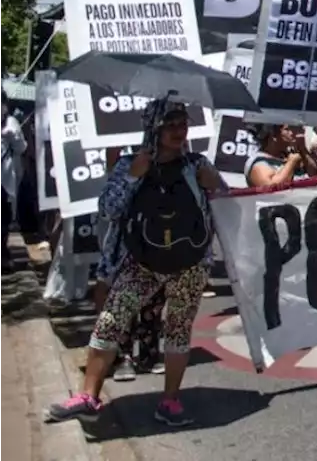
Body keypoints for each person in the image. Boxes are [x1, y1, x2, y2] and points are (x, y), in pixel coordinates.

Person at [46, 99, 222, 427]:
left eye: (182, 124)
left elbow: (224, 206)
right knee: (110, 323)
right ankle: (88, 396)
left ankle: (169, 402)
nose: (178, 131)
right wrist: (132, 176)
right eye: (169, 124)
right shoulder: (131, 162)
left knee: (179, 332)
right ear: (152, 128)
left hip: (190, 265)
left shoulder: (197, 164)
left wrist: (214, 183)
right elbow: (107, 210)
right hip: (140, 263)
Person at [244, 124, 317, 188]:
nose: (292, 133)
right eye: (287, 129)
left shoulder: (290, 154)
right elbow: (272, 189)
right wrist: (291, 162)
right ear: (273, 135)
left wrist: (303, 151)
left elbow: (315, 175)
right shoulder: (259, 163)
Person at [0, 92, 27, 273]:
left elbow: (22, 148)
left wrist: (14, 137)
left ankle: (2, 255)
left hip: (5, 177)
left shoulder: (11, 123)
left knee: (2, 219)